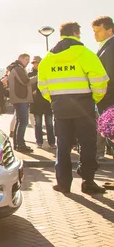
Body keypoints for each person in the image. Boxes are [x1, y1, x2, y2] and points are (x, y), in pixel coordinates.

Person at [38, 22, 109, 194]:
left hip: (60, 108)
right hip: (83, 106)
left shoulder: (47, 58)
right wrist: (94, 98)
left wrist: (55, 100)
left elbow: (42, 86)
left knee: (63, 145)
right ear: (77, 33)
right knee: (87, 144)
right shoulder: (85, 53)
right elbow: (100, 80)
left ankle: (63, 183)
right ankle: (88, 182)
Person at [93, 16, 114, 160]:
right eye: (93, 31)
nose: (95, 35)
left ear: (110, 30)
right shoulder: (105, 47)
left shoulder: (111, 48)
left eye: (98, 31)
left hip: (109, 101)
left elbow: (109, 76)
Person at [7, 53, 35, 153]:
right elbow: (26, 81)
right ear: (21, 59)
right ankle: (20, 144)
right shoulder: (18, 69)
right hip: (20, 98)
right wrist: (38, 77)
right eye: (27, 59)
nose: (28, 62)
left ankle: (18, 144)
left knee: (20, 122)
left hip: (19, 98)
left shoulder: (15, 68)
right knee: (23, 122)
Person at [29, 56, 55, 149]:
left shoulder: (48, 73)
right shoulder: (30, 74)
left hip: (47, 102)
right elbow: (29, 85)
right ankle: (39, 142)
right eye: (34, 62)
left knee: (49, 123)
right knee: (38, 124)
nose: (35, 64)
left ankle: (52, 142)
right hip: (36, 103)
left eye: (37, 62)